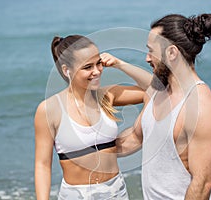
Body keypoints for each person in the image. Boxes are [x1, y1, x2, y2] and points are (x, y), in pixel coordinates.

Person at [116, 13, 211, 199]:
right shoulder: (157, 91)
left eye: (151, 51)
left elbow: (202, 184)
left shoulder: (201, 107)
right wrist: (90, 148)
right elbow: (136, 137)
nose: (147, 59)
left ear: (172, 53)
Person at [34, 35, 151, 200]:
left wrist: (120, 64)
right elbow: (42, 165)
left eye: (98, 63)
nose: (96, 71)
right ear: (67, 70)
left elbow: (155, 89)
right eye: (88, 67)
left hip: (116, 192)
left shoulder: (107, 96)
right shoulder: (49, 109)